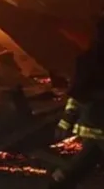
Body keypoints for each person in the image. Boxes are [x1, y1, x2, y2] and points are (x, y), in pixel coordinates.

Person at [51, 16, 104, 188]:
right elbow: (78, 93)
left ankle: (59, 182)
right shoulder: (90, 60)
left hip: (93, 122)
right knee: (84, 162)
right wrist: (66, 121)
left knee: (85, 162)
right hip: (98, 122)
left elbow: (76, 93)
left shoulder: (87, 59)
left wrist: (66, 121)